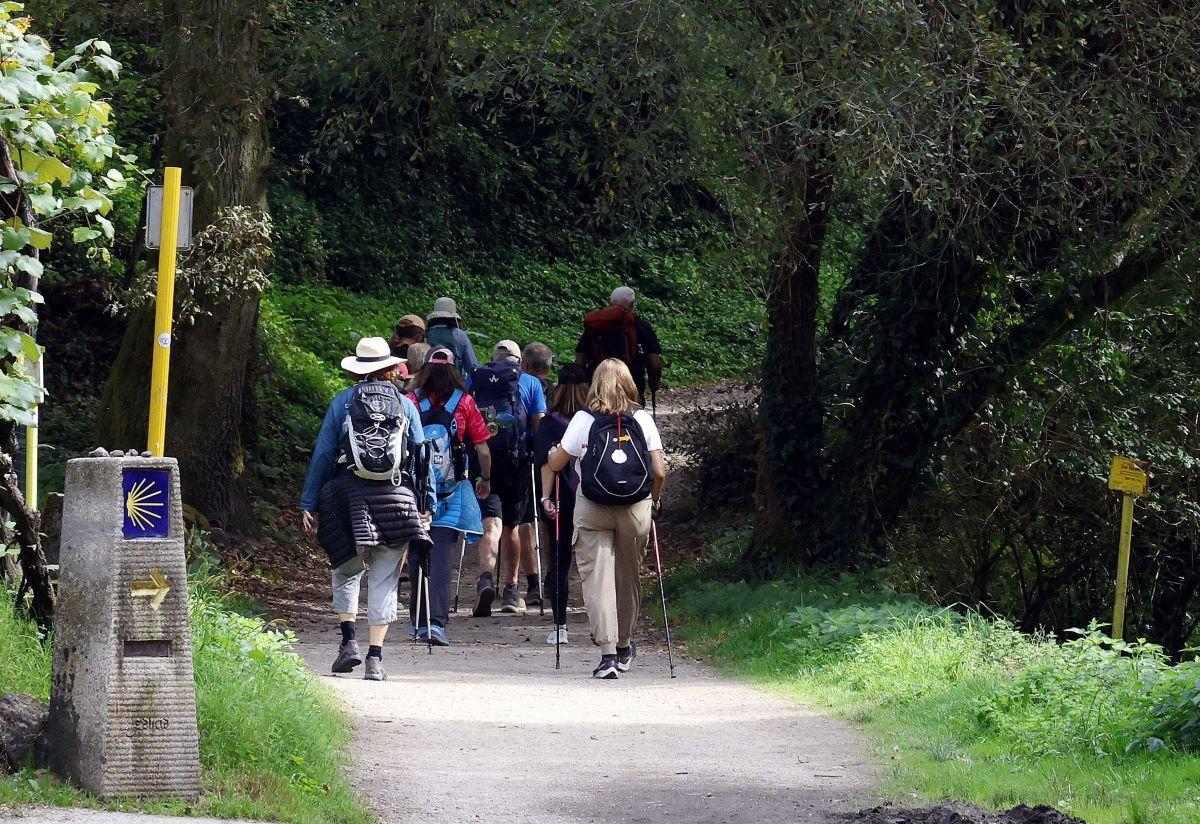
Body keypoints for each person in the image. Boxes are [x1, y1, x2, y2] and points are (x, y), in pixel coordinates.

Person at [300, 337, 434, 682]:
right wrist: (426, 505)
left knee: (347, 570)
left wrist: (309, 501)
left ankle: (348, 643)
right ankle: (375, 658)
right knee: (386, 578)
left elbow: (323, 454)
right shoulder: (406, 406)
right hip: (396, 498)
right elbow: (422, 460)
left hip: (346, 498)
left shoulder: (343, 402)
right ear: (390, 368)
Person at [546, 358, 666, 679]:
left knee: (596, 579)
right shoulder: (641, 418)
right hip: (636, 507)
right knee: (627, 576)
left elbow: (557, 463)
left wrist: (552, 452)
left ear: (595, 383)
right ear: (629, 382)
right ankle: (625, 644)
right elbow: (659, 470)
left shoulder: (584, 418)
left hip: (593, 505)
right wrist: (654, 500)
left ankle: (608, 654)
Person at [406, 347, 493, 645]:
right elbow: (482, 447)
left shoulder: (411, 401)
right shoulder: (465, 402)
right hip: (450, 491)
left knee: (417, 554)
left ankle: (417, 622)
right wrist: (485, 478)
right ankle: (436, 623)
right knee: (442, 556)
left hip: (415, 491)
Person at [470, 339, 547, 615]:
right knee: (513, 526)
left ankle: (485, 578)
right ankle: (512, 592)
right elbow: (539, 421)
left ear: (493, 358)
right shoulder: (531, 383)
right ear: (519, 362)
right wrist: (539, 455)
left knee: (491, 523)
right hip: (517, 461)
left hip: (484, 460)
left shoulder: (477, 378)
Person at [535, 363, 589, 645]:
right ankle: (601, 623)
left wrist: (545, 498)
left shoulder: (549, 422)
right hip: (593, 497)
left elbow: (546, 464)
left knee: (559, 561)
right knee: (593, 562)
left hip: (560, 497)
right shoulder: (594, 419)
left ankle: (560, 626)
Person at [576, 286, 663, 406]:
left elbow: (580, 358)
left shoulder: (595, 325)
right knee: (631, 420)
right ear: (632, 304)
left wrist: (582, 384)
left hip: (598, 388)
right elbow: (655, 363)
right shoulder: (640, 326)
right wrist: (654, 383)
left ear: (610, 303)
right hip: (632, 388)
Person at [425, 297, 480, 377]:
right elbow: (471, 366)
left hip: (428, 380)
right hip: (454, 381)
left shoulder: (427, 334)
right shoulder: (459, 335)